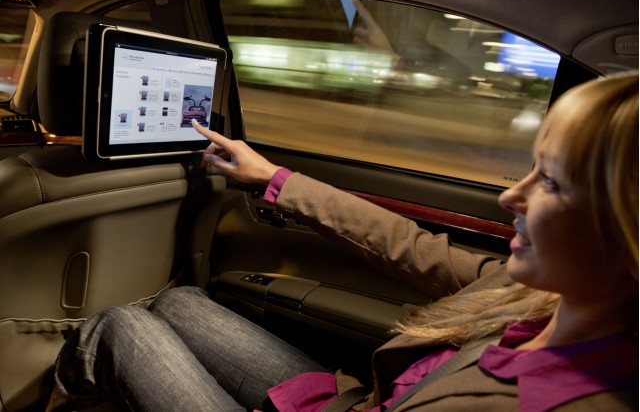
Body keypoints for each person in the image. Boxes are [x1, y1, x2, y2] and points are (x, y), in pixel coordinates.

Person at [47, 73, 638, 411]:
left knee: (119, 325)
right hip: (352, 402)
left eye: (550, 182)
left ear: (626, 230)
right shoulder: (543, 296)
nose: (511, 197)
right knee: (179, 302)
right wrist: (272, 177)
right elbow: (407, 244)